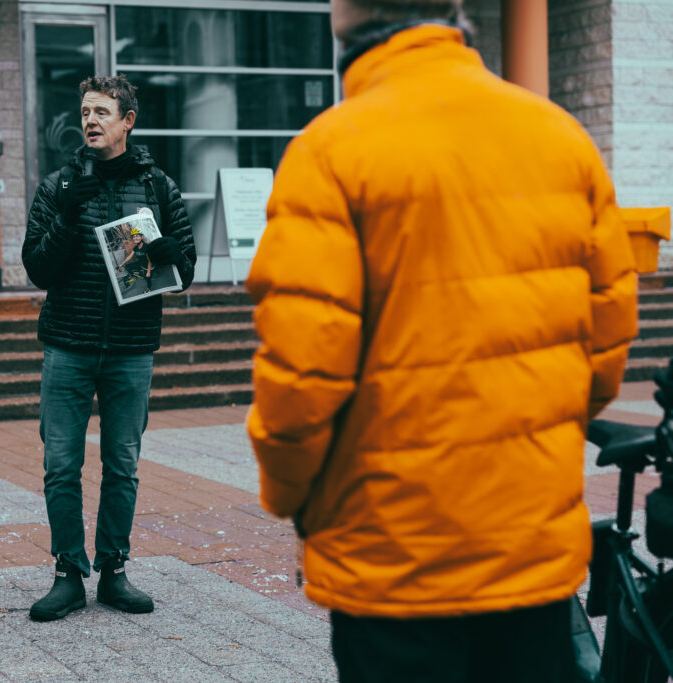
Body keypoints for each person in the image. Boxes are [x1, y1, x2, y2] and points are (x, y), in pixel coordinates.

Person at [245, 0, 639, 680]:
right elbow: (603, 349)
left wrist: (290, 498)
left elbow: (300, 380)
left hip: (392, 562)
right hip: (529, 549)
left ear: (345, 11)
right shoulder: (559, 136)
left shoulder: (329, 151)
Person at [22, 74, 196, 622]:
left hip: (130, 349)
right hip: (67, 347)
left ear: (128, 121)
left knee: (122, 464)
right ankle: (68, 574)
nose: (90, 120)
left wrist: (171, 254)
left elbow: (185, 270)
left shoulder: (160, 188)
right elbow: (37, 269)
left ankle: (114, 570)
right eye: (85, 111)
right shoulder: (58, 185)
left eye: (102, 111)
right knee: (60, 464)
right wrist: (70, 215)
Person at [118, 227, 152, 294]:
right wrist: (122, 264)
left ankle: (148, 288)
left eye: (137, 236)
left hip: (147, 265)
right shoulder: (136, 247)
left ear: (142, 237)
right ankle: (138, 273)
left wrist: (148, 272)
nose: (135, 238)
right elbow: (130, 257)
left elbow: (149, 261)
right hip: (140, 263)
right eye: (133, 236)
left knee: (147, 278)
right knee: (127, 266)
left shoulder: (146, 247)